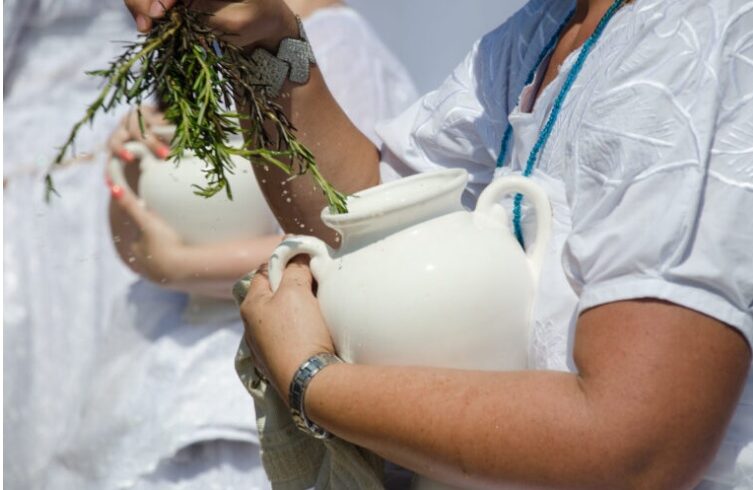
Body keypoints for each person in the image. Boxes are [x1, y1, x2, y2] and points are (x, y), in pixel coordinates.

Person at [125, 0, 753, 488]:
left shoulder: (700, 39)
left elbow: (638, 441)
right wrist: (265, 39)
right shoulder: (536, 36)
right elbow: (367, 220)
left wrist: (311, 381)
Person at [47, 1, 418, 489]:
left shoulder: (331, 41)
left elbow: (353, 227)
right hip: (165, 339)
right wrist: (133, 168)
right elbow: (138, 243)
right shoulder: (192, 49)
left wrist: (183, 266)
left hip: (268, 348)